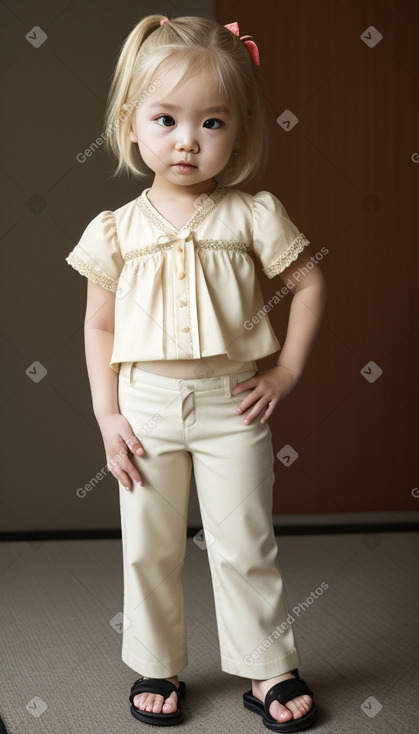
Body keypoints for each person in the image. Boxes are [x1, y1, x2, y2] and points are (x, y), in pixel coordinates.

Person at [65, 13, 327, 731]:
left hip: (230, 405)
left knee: (245, 543)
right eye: (166, 119)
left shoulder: (250, 216)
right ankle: (157, 664)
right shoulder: (115, 230)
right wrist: (106, 414)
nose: (187, 140)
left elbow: (307, 285)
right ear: (130, 121)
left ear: (238, 129)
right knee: (148, 546)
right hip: (144, 405)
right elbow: (99, 325)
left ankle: (267, 667)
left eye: (211, 122)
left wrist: (284, 373)